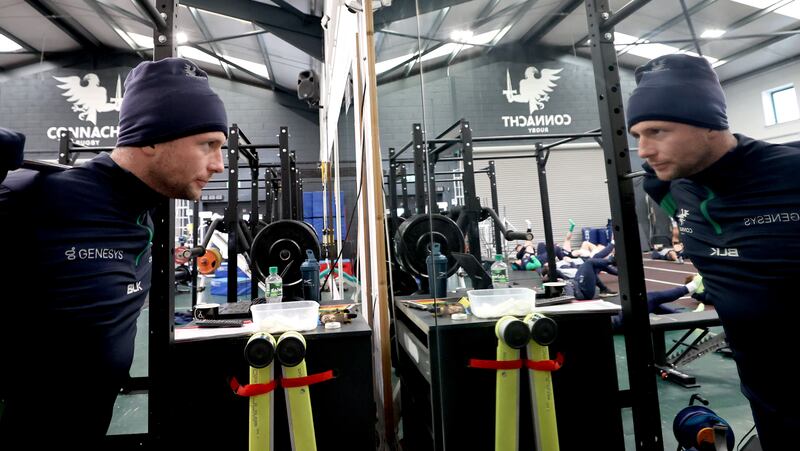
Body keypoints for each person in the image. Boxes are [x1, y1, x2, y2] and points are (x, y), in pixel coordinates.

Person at [0, 57, 227, 447]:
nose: (219, 164)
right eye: (208, 145)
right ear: (151, 139)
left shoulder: (143, 215)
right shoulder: (32, 198)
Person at [627, 53, 800, 449]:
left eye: (657, 131)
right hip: (766, 399)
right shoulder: (669, 187)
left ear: (708, 123)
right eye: (637, 135)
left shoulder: (791, 173)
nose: (643, 150)